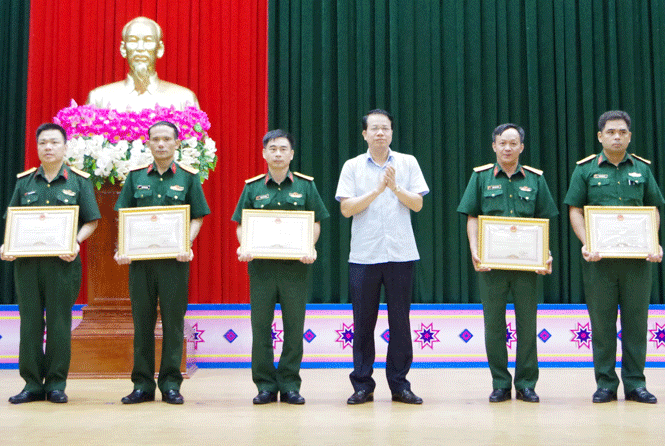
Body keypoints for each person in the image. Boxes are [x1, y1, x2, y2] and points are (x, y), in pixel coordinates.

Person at [564, 110, 664, 404]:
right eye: (610, 132)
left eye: (622, 132)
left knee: (636, 324)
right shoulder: (585, 170)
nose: (617, 137)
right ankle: (606, 384)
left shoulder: (642, 169)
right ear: (600, 136)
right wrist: (587, 242)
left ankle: (635, 384)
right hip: (599, 263)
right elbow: (575, 210)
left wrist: (653, 242)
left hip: (637, 263)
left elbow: (653, 209)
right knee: (602, 325)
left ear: (629, 136)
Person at [457, 123, 558, 403]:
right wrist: (475, 250)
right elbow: (472, 216)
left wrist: (545, 253)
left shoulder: (535, 179)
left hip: (527, 267)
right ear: (494, 146)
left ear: (521, 147)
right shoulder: (480, 177)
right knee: (494, 326)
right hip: (492, 266)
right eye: (502, 143)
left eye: (513, 143)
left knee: (527, 325)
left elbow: (543, 221)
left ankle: (526, 383)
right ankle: (500, 383)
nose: (508, 148)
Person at [1, 123, 100, 404]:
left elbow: (92, 220)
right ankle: (32, 384)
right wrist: (7, 245)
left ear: (65, 147)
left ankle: (56, 383)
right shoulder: (24, 182)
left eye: (54, 142)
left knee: (58, 323)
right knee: (30, 323)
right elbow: (13, 220)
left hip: (62, 264)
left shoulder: (78, 181)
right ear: (37, 147)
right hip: (27, 265)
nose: (48, 147)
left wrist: (76, 241)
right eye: (43, 142)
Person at [335, 109, 429, 405]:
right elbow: (346, 209)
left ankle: (400, 385)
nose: (380, 133)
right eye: (374, 128)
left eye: (385, 128)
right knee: (363, 323)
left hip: (401, 254)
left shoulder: (407, 162)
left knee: (400, 322)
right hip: (364, 255)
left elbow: (417, 204)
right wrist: (377, 190)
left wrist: (395, 187)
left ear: (391, 132)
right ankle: (363, 384)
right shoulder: (352, 166)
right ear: (364, 134)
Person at [113, 121, 210, 404]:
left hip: (174, 263)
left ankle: (170, 384)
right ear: (148, 143)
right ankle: (142, 385)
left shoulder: (189, 178)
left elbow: (197, 217)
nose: (161, 144)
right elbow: (123, 217)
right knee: (142, 324)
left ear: (177, 143)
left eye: (167, 139)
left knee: (173, 323)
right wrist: (122, 248)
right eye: (155, 139)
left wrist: (186, 243)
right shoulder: (135, 178)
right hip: (141, 263)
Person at [233, 130, 329, 405]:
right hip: (261, 270)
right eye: (272, 148)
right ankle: (264, 385)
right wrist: (244, 246)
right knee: (261, 328)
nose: (277, 153)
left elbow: (315, 222)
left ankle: (289, 385)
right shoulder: (252, 188)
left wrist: (309, 247)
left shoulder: (306, 186)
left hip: (294, 269)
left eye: (283, 149)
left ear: (291, 154)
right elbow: (241, 224)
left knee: (294, 329)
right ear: (264, 153)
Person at [87, 17, 199, 111]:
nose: (140, 48)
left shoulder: (184, 99)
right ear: (123, 49)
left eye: (148, 41)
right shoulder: (99, 99)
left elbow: (198, 131)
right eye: (133, 41)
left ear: (160, 49)